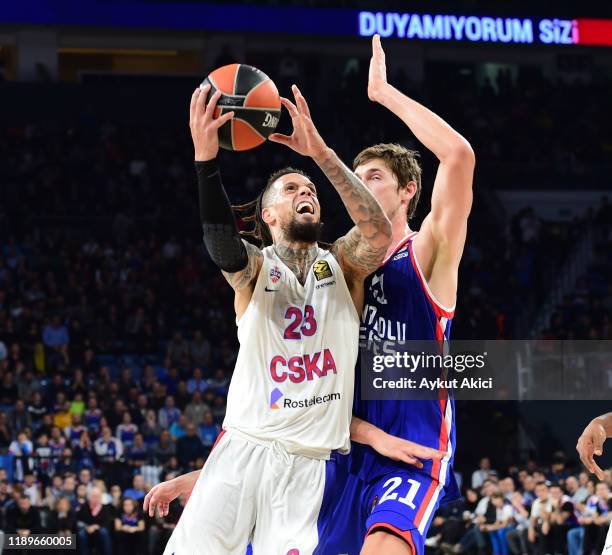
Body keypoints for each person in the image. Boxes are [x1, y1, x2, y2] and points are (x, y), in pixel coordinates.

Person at [145, 77, 424, 554]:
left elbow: (377, 230)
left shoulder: (343, 264)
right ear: (269, 215)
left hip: (309, 467)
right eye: (292, 188)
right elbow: (222, 247)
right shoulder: (255, 268)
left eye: (310, 188)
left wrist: (320, 154)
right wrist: (206, 161)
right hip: (242, 450)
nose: (306, 191)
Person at [317, 34, 474, 555]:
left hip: (411, 451)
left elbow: (457, 155)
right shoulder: (338, 266)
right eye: (355, 178)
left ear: (408, 190)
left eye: (375, 177)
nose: (360, 185)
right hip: (347, 448)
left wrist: (384, 93)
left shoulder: (428, 249)